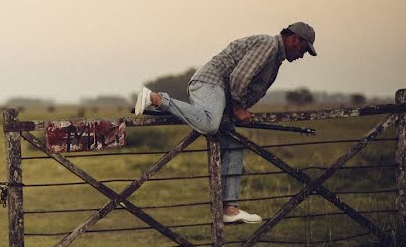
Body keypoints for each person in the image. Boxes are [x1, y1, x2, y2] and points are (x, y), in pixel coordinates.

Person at [134, 22, 317, 224]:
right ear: (295, 39)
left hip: (220, 93)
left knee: (233, 144)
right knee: (211, 124)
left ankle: (230, 210)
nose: (302, 55)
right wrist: (238, 108)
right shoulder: (269, 45)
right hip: (210, 83)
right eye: (304, 49)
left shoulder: (275, 57)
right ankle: (155, 98)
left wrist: (235, 110)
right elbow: (239, 76)